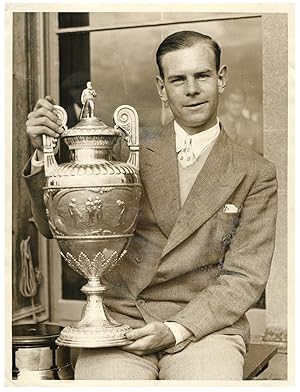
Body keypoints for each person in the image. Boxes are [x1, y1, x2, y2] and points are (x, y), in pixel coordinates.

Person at [23, 30, 277, 380]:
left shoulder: (256, 172)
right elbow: (54, 229)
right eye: (178, 79)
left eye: (202, 75)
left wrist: (176, 329)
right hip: (121, 324)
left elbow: (245, 275)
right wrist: (43, 152)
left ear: (221, 78)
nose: (191, 90)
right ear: (161, 88)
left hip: (205, 329)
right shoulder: (124, 153)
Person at [220, 87, 263, 155]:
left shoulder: (254, 127)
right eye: (233, 102)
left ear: (244, 104)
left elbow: (259, 155)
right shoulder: (216, 124)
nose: (236, 106)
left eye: (240, 102)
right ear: (226, 103)